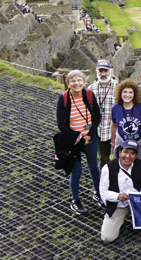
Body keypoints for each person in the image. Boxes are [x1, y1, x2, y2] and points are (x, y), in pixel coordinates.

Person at [56, 70, 102, 214]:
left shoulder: (89, 95)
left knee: (93, 166)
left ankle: (98, 193)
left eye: (79, 80)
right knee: (76, 170)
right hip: (74, 141)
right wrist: (77, 138)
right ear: (68, 83)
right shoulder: (63, 98)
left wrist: (89, 135)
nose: (76, 83)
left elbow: (97, 117)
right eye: (73, 81)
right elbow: (61, 123)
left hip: (90, 138)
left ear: (84, 81)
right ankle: (75, 200)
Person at [99, 141, 141, 243]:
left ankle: (137, 217)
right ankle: (118, 219)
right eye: (125, 152)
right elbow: (103, 192)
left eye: (132, 153)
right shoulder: (108, 168)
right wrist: (117, 196)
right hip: (119, 205)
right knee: (108, 237)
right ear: (119, 152)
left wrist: (137, 197)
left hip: (138, 204)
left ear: (136, 155)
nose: (128, 156)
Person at [110, 79, 141, 161]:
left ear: (135, 94)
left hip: (140, 143)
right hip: (122, 143)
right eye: (124, 92)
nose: (127, 95)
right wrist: (113, 143)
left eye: (130, 92)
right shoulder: (115, 108)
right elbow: (114, 125)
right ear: (120, 93)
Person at [87, 60, 117, 170]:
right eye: (101, 71)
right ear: (97, 72)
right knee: (104, 159)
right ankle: (105, 180)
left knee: (119, 157)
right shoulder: (91, 89)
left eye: (106, 71)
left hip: (115, 129)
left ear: (111, 72)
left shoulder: (118, 87)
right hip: (99, 129)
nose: (103, 74)